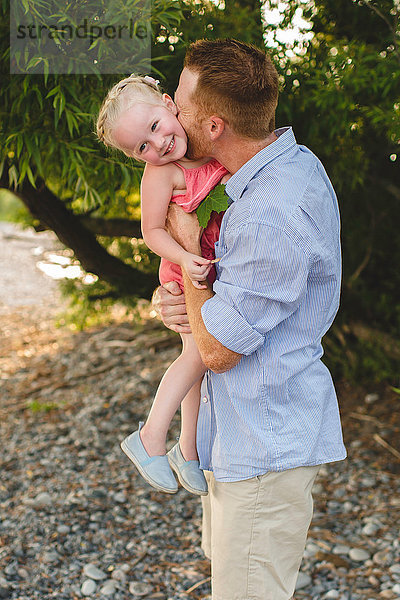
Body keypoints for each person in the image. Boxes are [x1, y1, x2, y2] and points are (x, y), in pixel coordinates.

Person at [153, 39, 347, 600]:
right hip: (242, 432)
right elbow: (229, 299)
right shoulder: (286, 164)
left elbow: (218, 351)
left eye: (181, 104)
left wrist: (186, 253)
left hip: (263, 444)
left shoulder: (268, 213)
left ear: (213, 126)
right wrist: (181, 299)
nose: (170, 109)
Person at [96, 75, 229, 496]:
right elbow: (153, 231)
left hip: (206, 268)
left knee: (198, 364)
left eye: (154, 128)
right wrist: (184, 257)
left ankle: (187, 451)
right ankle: (150, 436)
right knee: (197, 356)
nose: (157, 146)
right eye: (141, 148)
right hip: (183, 269)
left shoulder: (208, 153)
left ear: (170, 105)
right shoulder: (161, 175)